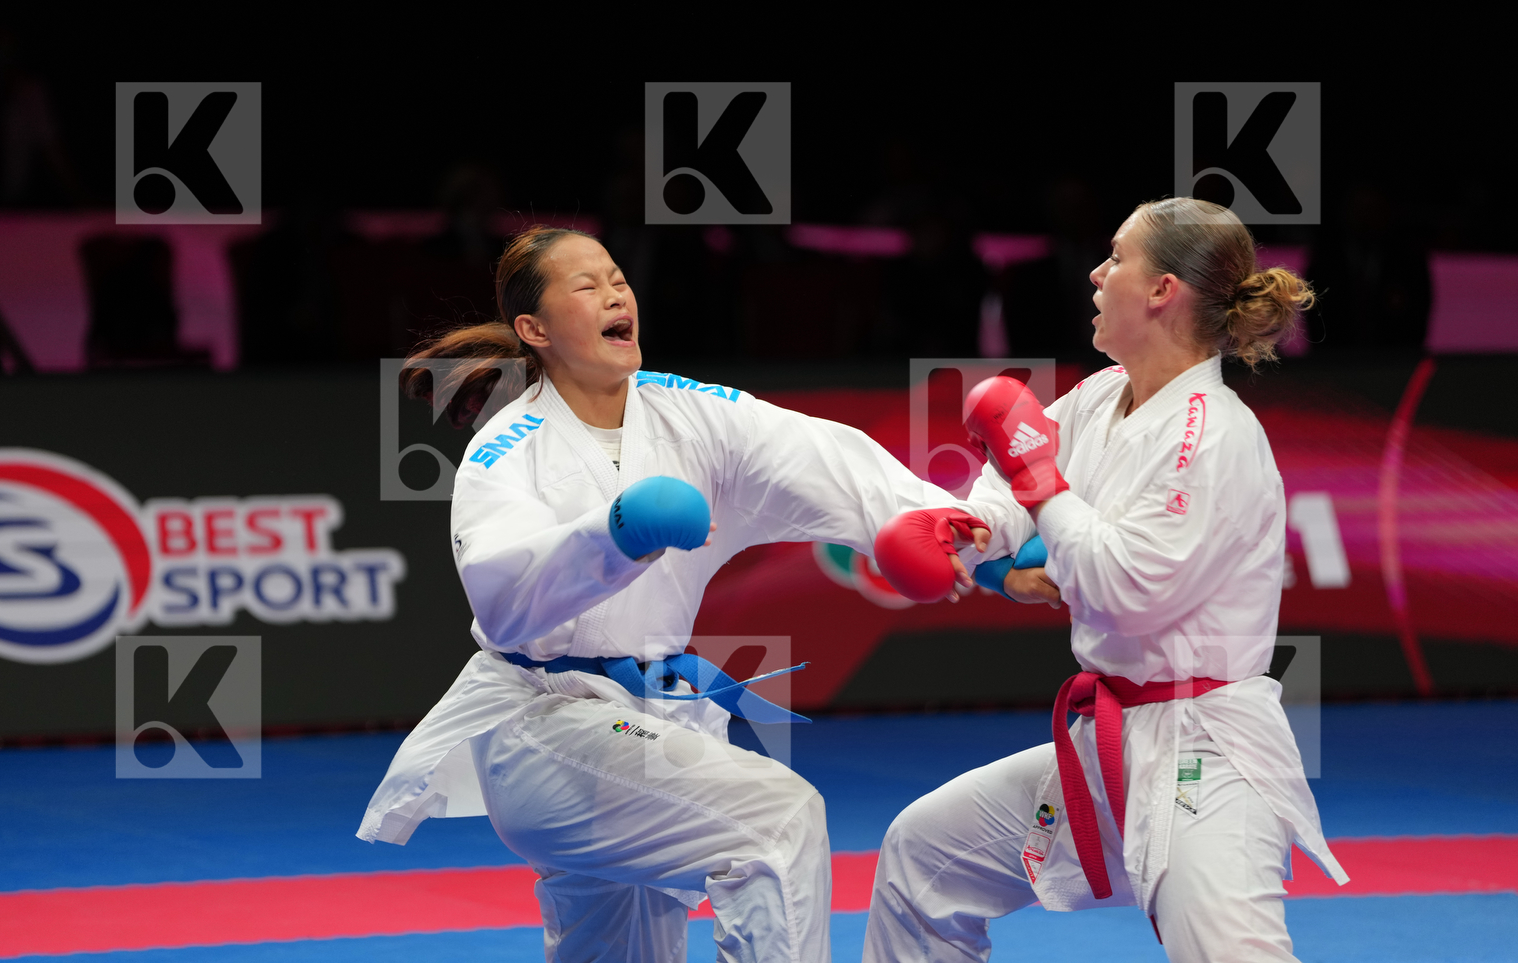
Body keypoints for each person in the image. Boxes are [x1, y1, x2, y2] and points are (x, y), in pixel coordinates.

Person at [357, 225, 1023, 963]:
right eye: (587, 285)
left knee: (623, 948)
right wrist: (616, 535)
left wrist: (961, 533)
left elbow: (824, 457)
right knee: (776, 818)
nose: (614, 292)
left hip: (645, 719)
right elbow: (504, 597)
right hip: (545, 728)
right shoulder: (507, 448)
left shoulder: (689, 413)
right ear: (534, 329)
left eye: (616, 277)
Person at [863, 198, 1348, 962]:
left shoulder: (1214, 434)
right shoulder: (1101, 395)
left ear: (1161, 291)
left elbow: (1122, 585)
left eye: (1116, 257)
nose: (1096, 272)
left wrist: (1038, 484)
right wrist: (973, 534)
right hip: (1109, 742)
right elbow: (1013, 487)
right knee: (924, 856)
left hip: (1206, 755)